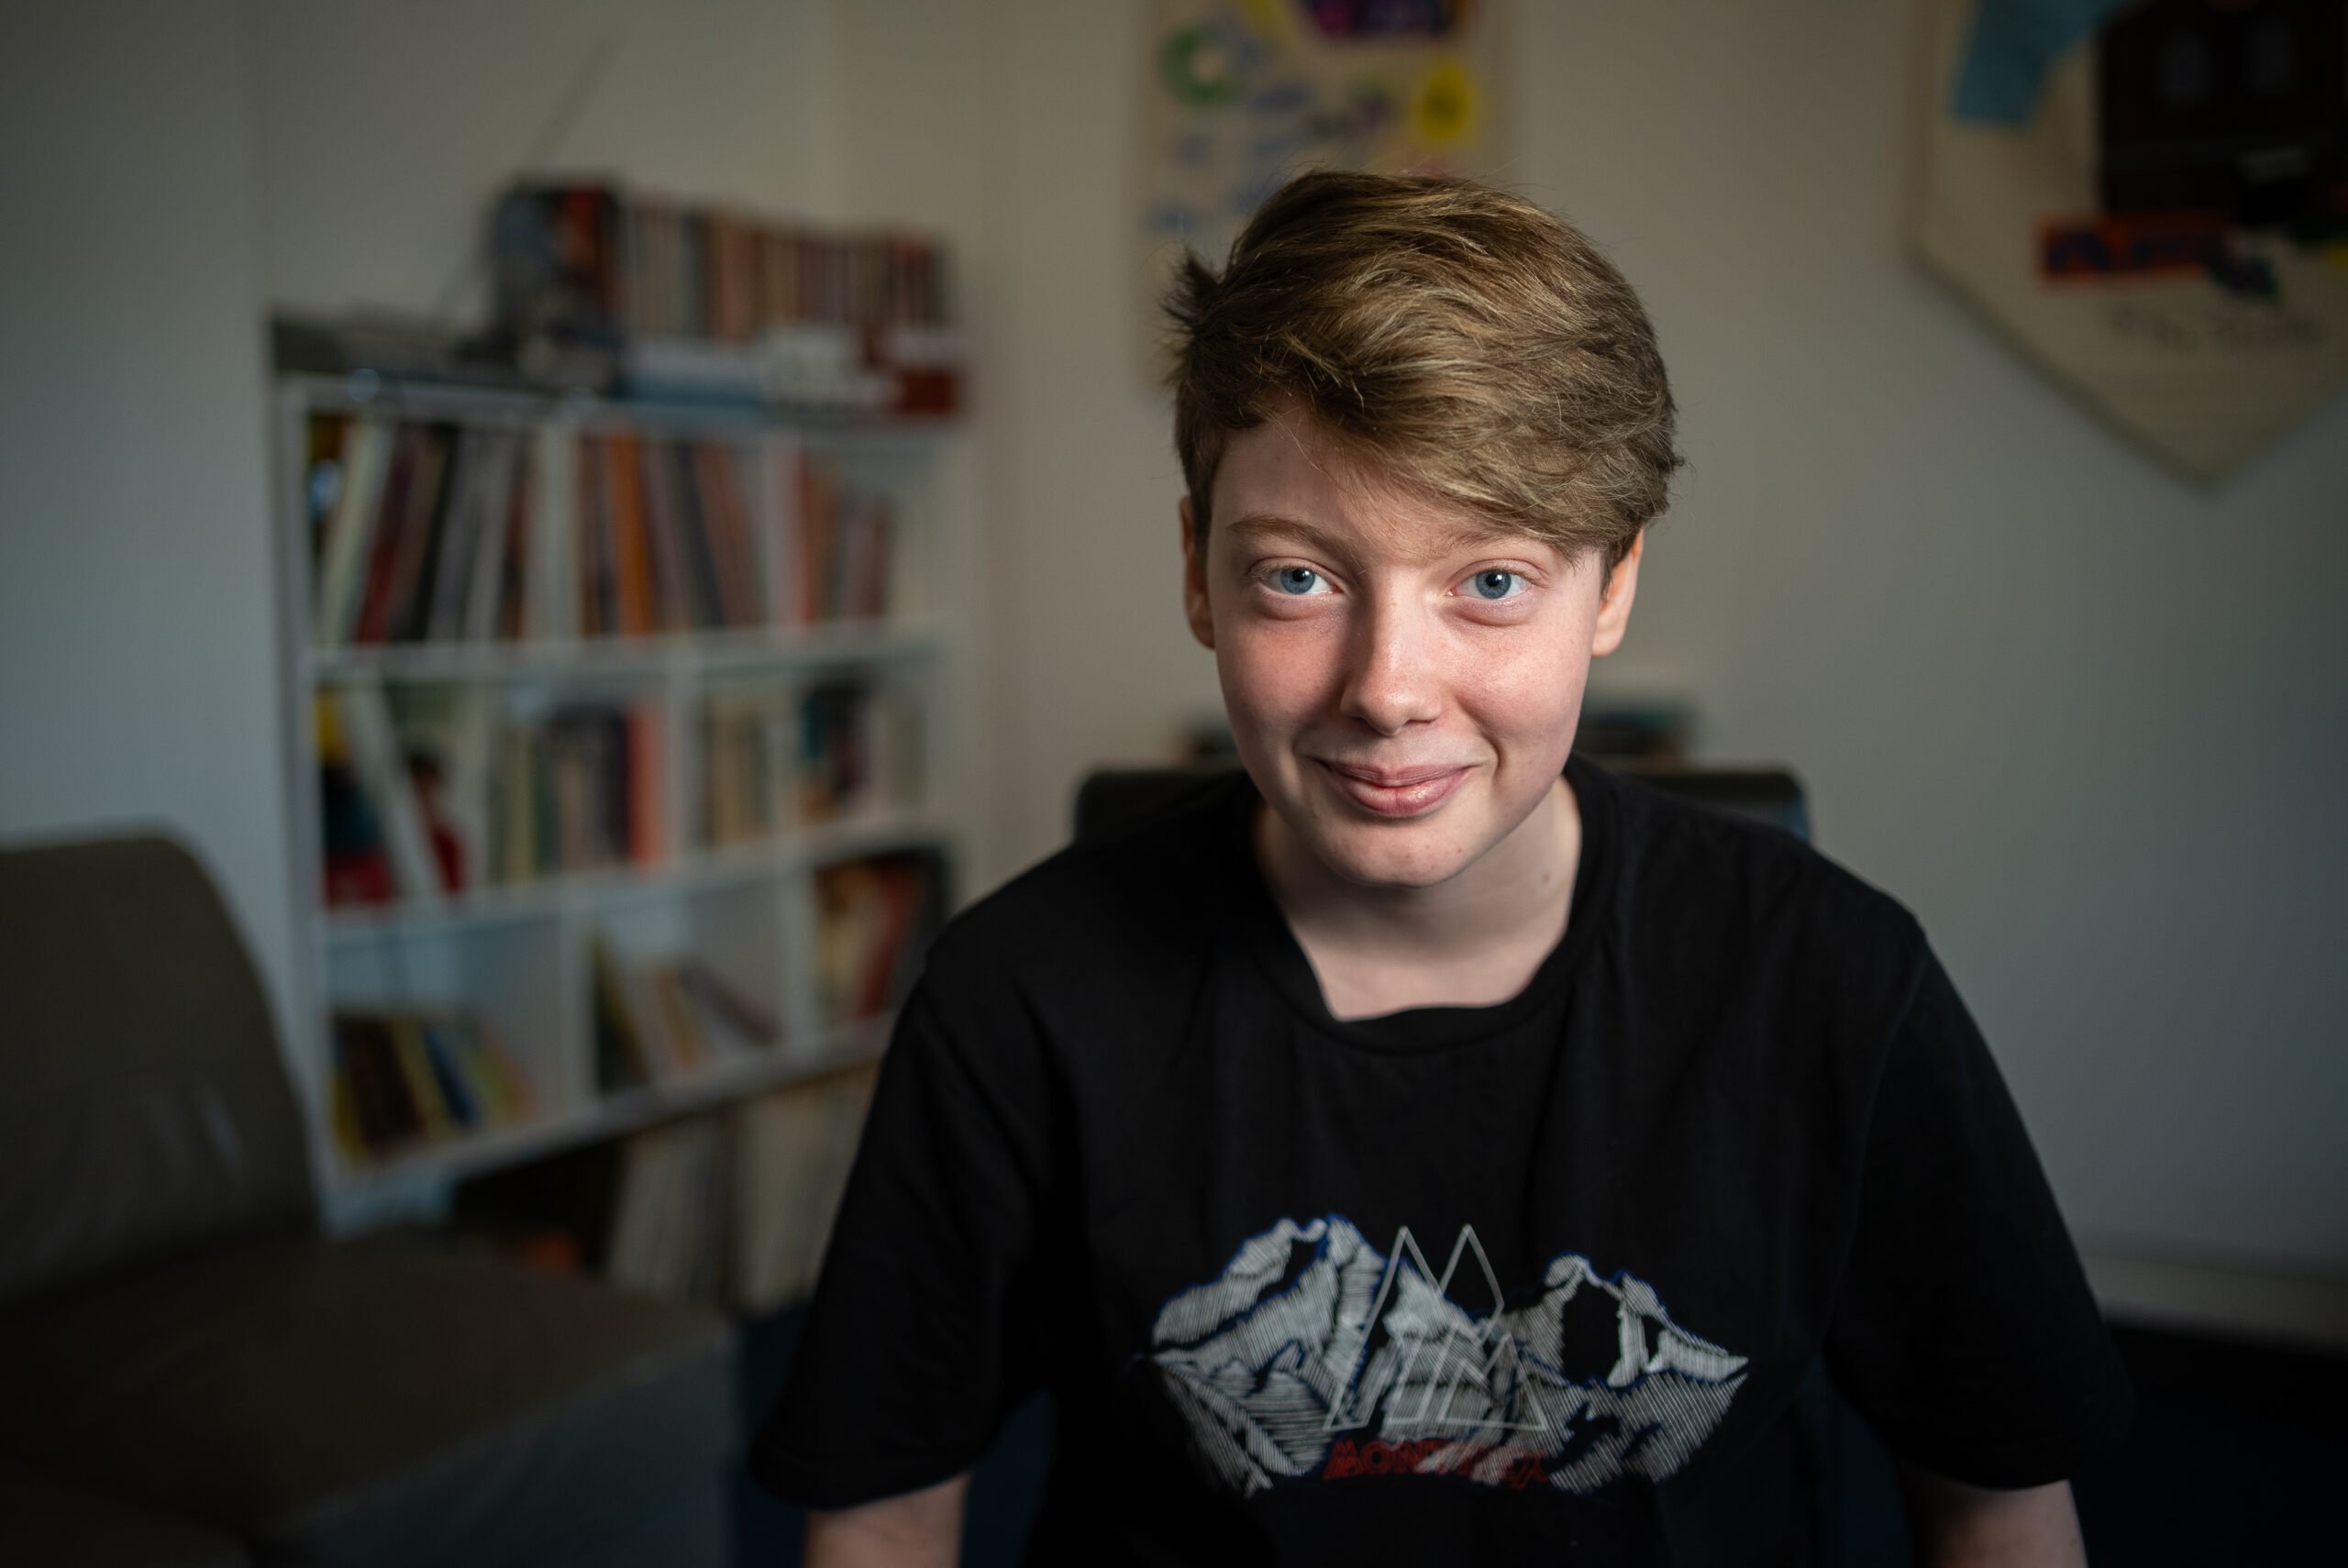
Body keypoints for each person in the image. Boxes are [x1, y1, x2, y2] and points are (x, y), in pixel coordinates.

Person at [749, 170, 2132, 1565]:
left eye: (1490, 582)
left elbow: (2001, 1501)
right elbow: (880, 1515)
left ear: (1616, 584)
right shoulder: (1016, 1000)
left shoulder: (1839, 983)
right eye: (1299, 577)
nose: (1388, 689)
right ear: (1196, 572)